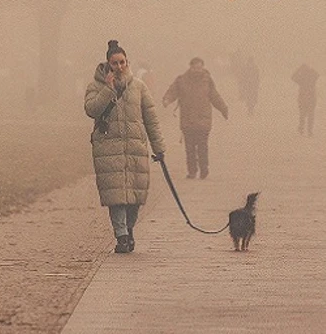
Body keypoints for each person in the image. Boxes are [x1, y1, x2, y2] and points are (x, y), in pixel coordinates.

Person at [84, 40, 166, 254]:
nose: (119, 67)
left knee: (135, 197)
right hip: (108, 150)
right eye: (114, 63)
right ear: (108, 65)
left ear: (127, 62)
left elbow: (151, 118)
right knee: (117, 197)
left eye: (122, 62)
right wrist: (108, 91)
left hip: (134, 148)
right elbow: (91, 109)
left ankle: (129, 229)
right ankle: (121, 236)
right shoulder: (95, 86)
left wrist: (159, 147)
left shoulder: (139, 86)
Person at [162, 57, 229, 179]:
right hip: (187, 120)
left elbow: (214, 96)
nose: (197, 70)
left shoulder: (207, 80)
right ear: (190, 67)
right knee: (190, 147)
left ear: (203, 67)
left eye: (199, 67)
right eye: (195, 67)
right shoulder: (181, 80)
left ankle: (204, 169)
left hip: (203, 119)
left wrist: (223, 108)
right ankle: (192, 171)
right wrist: (167, 100)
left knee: (202, 146)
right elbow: (172, 91)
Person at [291, 63, 319, 136]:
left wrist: (299, 70)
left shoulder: (301, 79)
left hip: (302, 98)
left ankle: (301, 129)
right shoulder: (312, 78)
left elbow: (293, 77)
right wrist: (310, 69)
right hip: (311, 98)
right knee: (311, 115)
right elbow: (317, 74)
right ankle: (309, 131)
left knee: (302, 114)